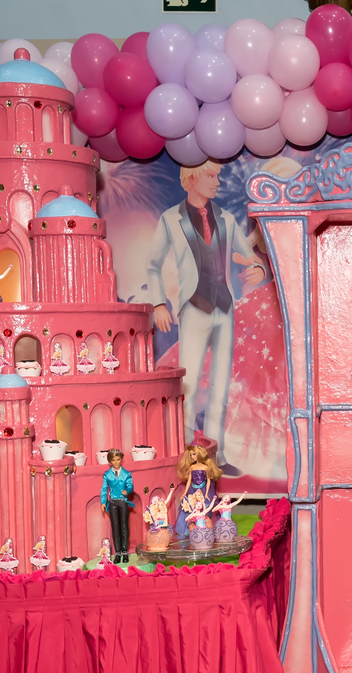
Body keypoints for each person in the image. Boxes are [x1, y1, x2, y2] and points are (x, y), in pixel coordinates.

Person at [145, 159, 267, 472]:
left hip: (224, 309)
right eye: (211, 176)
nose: (217, 182)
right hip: (194, 308)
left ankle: (217, 457)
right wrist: (159, 304)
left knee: (220, 387)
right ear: (192, 178)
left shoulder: (226, 218)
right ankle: (187, 455)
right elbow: (153, 265)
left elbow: (248, 255)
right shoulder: (170, 219)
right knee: (188, 385)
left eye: (217, 176)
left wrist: (258, 268)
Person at [174, 444, 222, 543]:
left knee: (205, 507)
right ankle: (187, 530)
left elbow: (208, 481)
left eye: (194, 454)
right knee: (190, 508)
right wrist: (185, 492)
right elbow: (189, 481)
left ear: (199, 454)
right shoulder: (192, 467)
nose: (192, 457)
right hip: (193, 489)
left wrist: (206, 493)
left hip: (203, 488)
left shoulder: (205, 467)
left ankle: (204, 527)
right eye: (191, 455)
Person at [100, 449, 134, 563]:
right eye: (113, 460)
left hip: (123, 501)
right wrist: (103, 502)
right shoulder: (107, 474)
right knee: (115, 527)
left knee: (124, 527)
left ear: (121, 459)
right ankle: (118, 552)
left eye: (118, 459)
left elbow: (130, 486)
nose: (116, 462)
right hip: (113, 502)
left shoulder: (126, 474)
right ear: (110, 461)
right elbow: (104, 488)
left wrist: (127, 491)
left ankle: (125, 552)